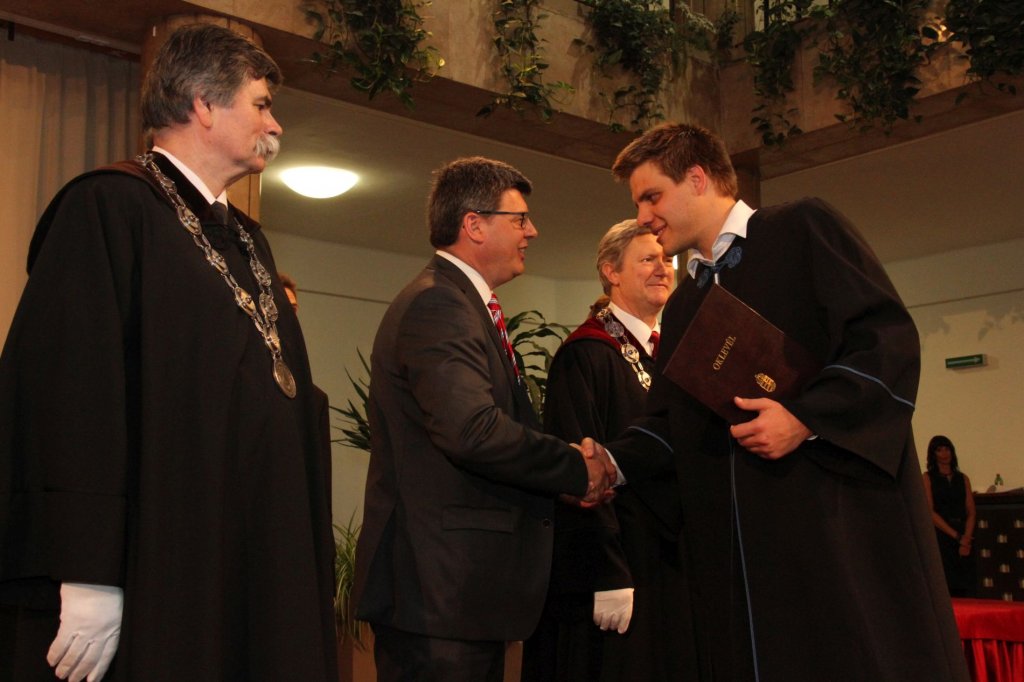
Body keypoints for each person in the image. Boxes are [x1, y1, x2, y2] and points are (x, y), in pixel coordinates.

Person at [0, 24, 337, 682]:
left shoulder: (247, 240)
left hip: (239, 556)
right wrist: (87, 571)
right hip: (152, 562)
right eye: (261, 105)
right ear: (203, 104)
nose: (275, 126)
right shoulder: (105, 206)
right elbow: (71, 394)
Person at [603, 122, 969, 680]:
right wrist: (606, 463)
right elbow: (670, 423)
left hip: (829, 527)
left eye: (652, 196)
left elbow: (885, 340)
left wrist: (803, 419)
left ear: (697, 178)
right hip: (741, 560)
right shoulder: (683, 306)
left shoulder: (801, 230)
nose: (644, 216)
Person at [352, 156, 616, 682]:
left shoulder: (460, 303)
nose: (532, 231)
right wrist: (573, 468)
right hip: (440, 592)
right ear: (474, 224)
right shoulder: (439, 304)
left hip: (457, 595)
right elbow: (472, 431)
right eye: (519, 219)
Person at [523, 220, 697, 682]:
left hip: (671, 564)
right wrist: (607, 573)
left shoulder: (674, 353)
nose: (663, 269)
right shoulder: (586, 354)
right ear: (611, 271)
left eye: (667, 259)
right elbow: (579, 476)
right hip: (620, 566)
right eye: (648, 259)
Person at [923, 435, 977, 597]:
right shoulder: (928, 478)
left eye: (947, 449)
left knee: (966, 584)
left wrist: (966, 538)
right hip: (941, 534)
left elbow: (971, 511)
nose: (944, 454)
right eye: (939, 450)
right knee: (945, 583)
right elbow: (930, 512)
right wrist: (957, 536)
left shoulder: (963, 478)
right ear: (933, 454)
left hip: (963, 532)